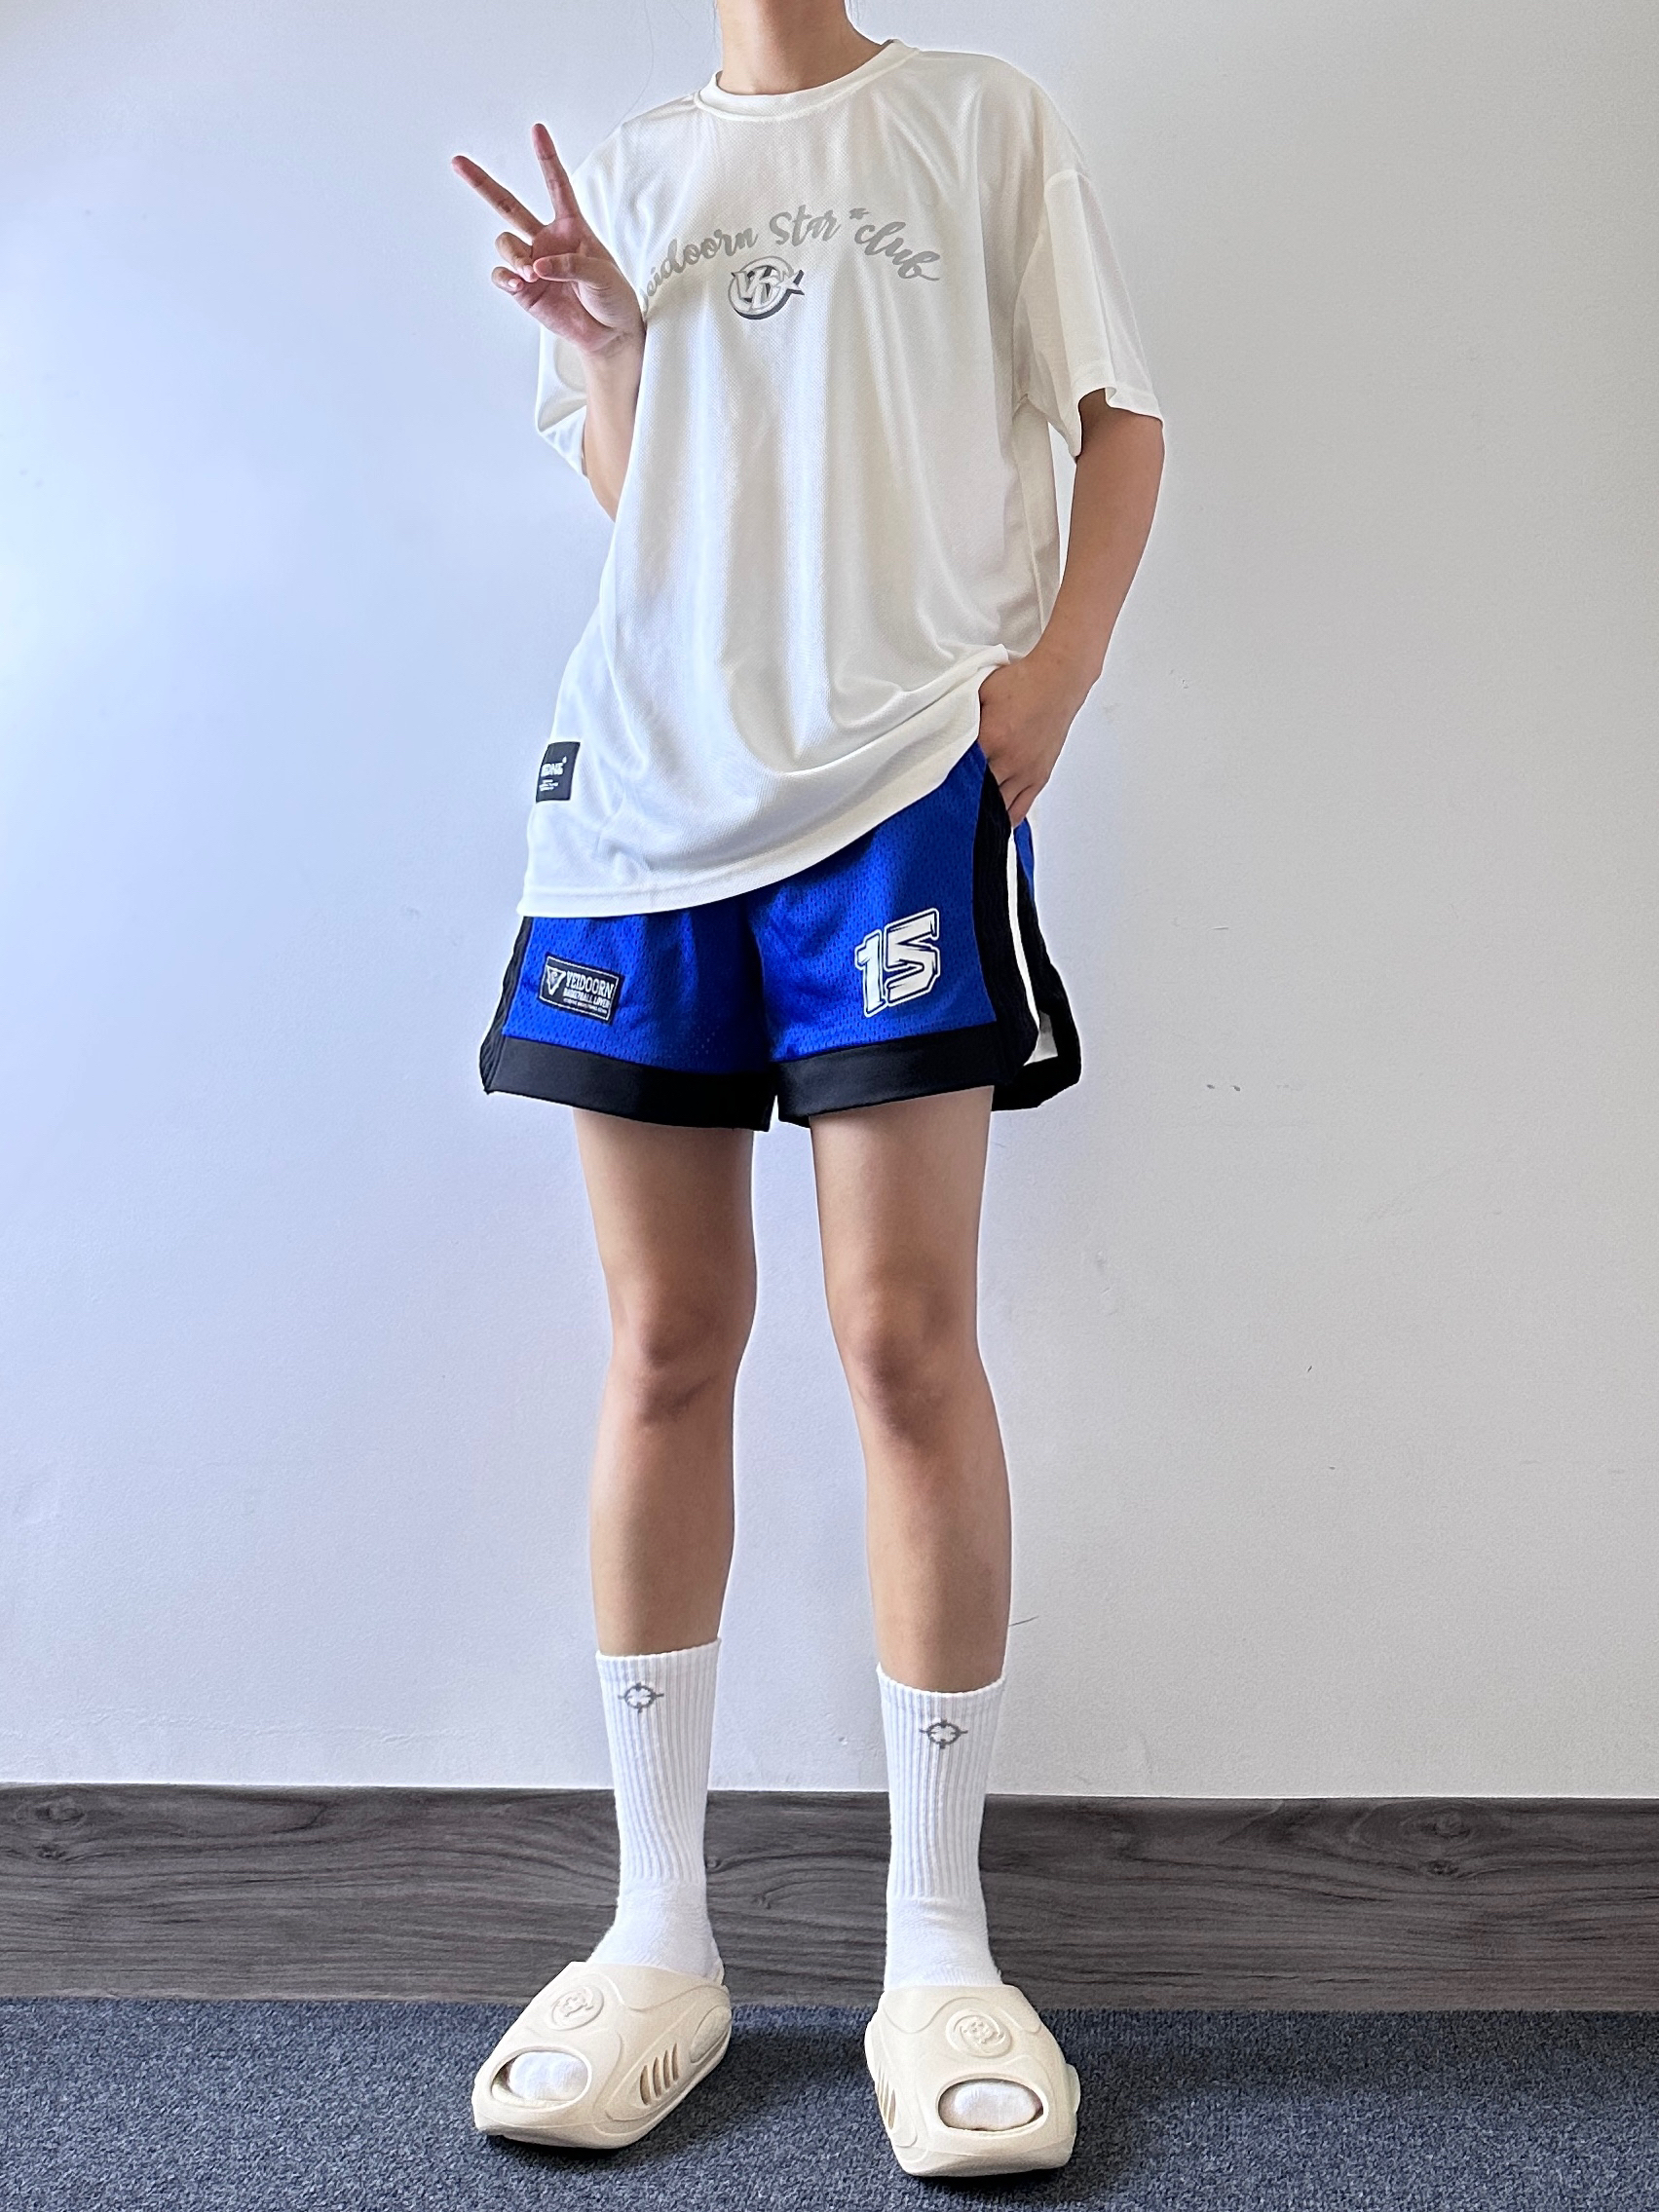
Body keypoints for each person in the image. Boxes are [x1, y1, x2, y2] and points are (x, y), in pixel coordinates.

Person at [452, 0, 1163, 2179]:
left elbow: (1118, 419)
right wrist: (606, 341)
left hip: (894, 787)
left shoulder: (978, 119)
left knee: (900, 1340)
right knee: (665, 1342)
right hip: (641, 810)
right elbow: (638, 495)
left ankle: (939, 1947)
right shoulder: (636, 168)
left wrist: (1054, 676)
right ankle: (656, 1937)